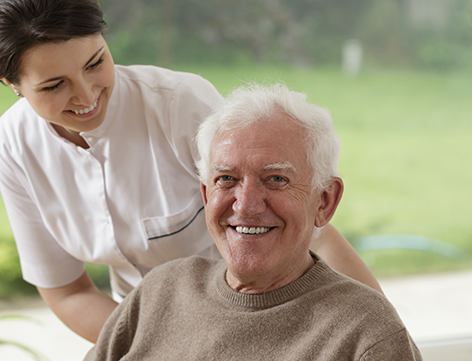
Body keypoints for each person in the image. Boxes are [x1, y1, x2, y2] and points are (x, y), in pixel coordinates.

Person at [0, 0, 382, 343]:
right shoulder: (13, 145)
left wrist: (379, 329)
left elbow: (308, 228)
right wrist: (159, 344)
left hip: (266, 312)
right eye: (54, 85)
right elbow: (67, 290)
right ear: (10, 84)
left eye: (95, 63)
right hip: (144, 329)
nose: (86, 95)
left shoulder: (179, 105)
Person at [84, 83, 423, 361]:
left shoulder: (365, 334)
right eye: (226, 178)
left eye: (276, 179)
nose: (245, 205)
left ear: (324, 201)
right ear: (206, 195)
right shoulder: (160, 291)